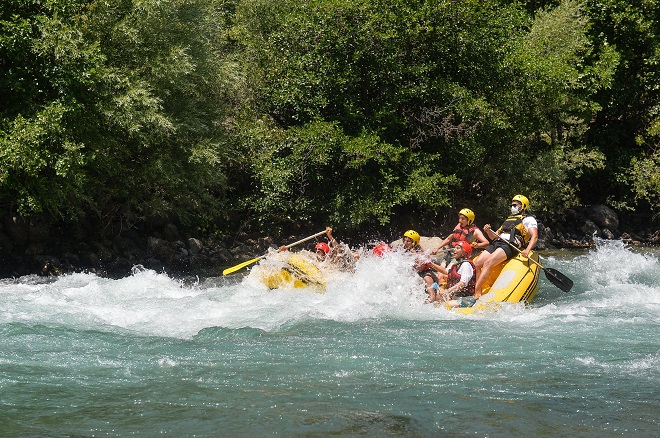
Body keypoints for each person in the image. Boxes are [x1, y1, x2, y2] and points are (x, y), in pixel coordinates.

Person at [473, 194, 538, 297]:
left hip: (510, 245)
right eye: (512, 205)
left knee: (487, 263)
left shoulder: (529, 220)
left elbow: (534, 236)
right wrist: (488, 231)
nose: (513, 207)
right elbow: (494, 237)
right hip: (497, 243)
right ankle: (478, 292)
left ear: (523, 206)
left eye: (515, 205)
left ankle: (475, 293)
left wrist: (527, 250)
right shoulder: (509, 219)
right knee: (477, 263)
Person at [422, 241, 476, 306]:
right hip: (455, 297)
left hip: (466, 299)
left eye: (458, 248)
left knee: (441, 306)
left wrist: (448, 291)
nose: (454, 250)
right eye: (454, 248)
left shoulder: (466, 265)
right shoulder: (456, 266)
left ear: (464, 252)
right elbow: (444, 271)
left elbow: (462, 284)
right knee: (434, 300)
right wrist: (430, 264)